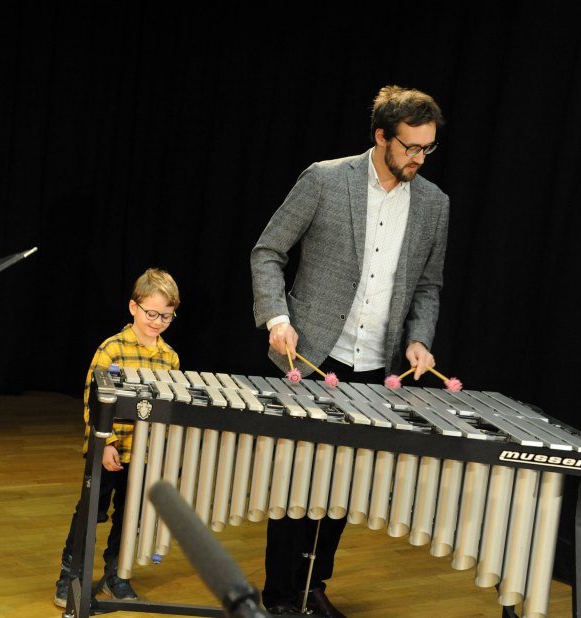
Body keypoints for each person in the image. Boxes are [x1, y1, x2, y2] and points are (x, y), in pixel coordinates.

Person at [250, 85, 449, 617]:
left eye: (427, 149)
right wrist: (276, 319)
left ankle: (315, 586)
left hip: (374, 367)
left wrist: (419, 338)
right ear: (382, 136)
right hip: (310, 355)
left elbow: (428, 287)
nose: (418, 158)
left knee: (342, 485)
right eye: (410, 147)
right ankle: (280, 596)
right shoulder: (325, 179)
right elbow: (268, 251)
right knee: (294, 483)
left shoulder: (434, 204)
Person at [54, 268, 181, 608]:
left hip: (143, 454)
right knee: (91, 512)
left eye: (166, 316)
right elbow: (91, 399)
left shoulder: (170, 358)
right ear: (133, 307)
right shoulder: (111, 349)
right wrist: (105, 441)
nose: (157, 322)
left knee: (130, 516)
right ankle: (71, 573)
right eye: (151, 313)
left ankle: (116, 574)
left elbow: (165, 410)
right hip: (108, 448)